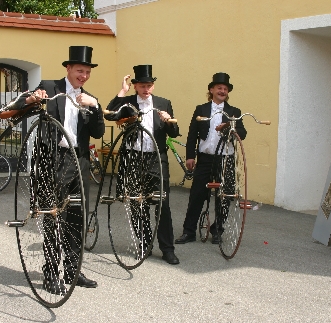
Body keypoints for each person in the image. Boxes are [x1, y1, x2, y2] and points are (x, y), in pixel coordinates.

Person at [16, 46, 105, 294]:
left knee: (77, 217)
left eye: (87, 72)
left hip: (79, 162)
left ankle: (73, 271)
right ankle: (51, 272)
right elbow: (24, 102)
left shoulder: (89, 97)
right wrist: (34, 98)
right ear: (68, 69)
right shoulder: (49, 86)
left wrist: (95, 106)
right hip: (54, 160)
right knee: (54, 217)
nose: (83, 76)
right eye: (80, 70)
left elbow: (98, 133)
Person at [105, 65, 180, 265]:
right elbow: (110, 114)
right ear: (135, 86)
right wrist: (122, 91)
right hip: (133, 159)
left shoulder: (164, 103)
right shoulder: (128, 102)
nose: (146, 89)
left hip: (156, 159)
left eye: (149, 85)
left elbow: (174, 133)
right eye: (142, 86)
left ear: (153, 86)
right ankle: (144, 244)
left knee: (162, 204)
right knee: (139, 203)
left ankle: (167, 249)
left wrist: (169, 121)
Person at [176, 72, 247, 245]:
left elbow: (243, 134)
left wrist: (230, 126)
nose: (222, 91)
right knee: (197, 195)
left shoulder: (234, 111)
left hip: (226, 159)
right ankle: (189, 231)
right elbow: (192, 134)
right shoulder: (201, 109)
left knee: (224, 196)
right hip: (205, 158)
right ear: (212, 89)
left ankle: (217, 230)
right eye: (219, 88)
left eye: (225, 89)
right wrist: (190, 156)